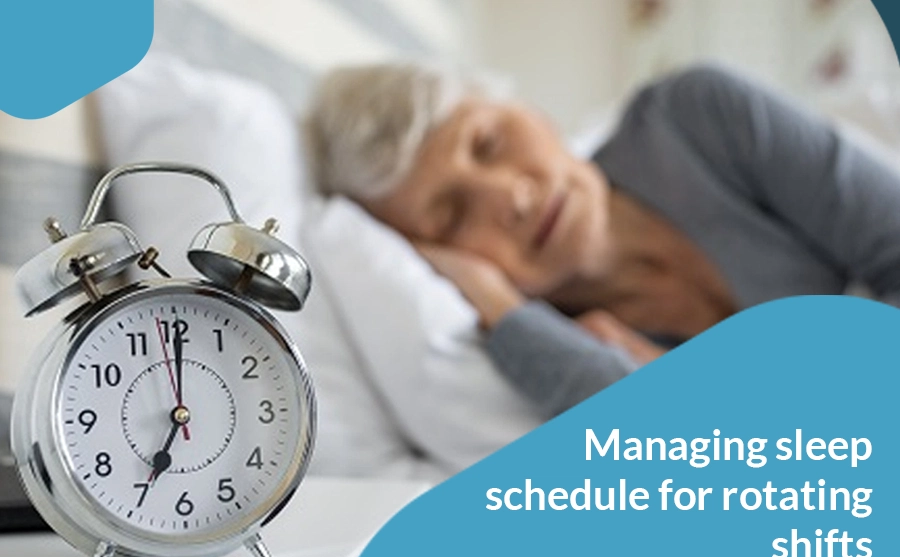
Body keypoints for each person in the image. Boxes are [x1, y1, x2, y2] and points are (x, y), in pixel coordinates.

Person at [303, 62, 900, 418]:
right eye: (453, 217)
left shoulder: (697, 118)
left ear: (532, 113)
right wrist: (502, 307)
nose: (510, 197)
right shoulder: (549, 345)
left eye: (489, 143)